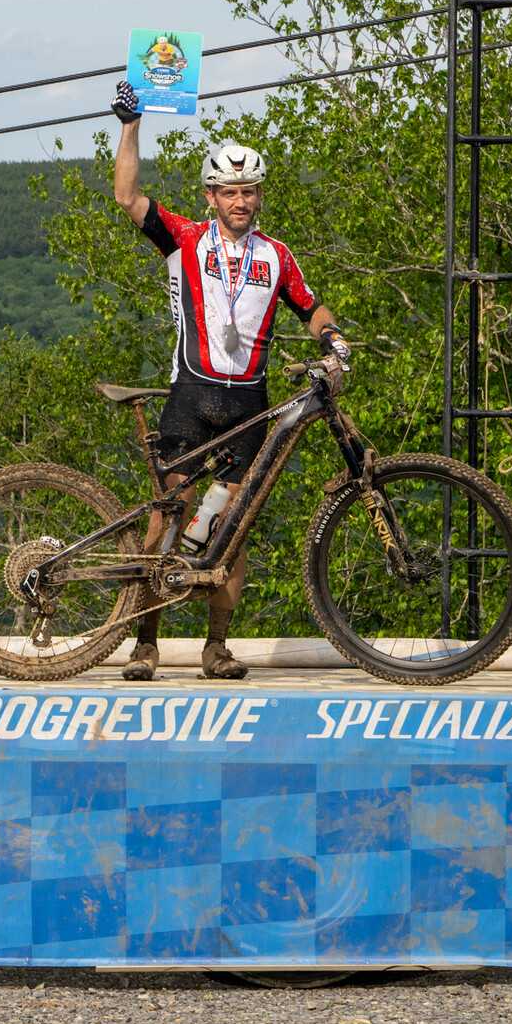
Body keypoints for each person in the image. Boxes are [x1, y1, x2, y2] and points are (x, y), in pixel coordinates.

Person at [111, 81, 349, 681]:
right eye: (229, 192)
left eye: (249, 191)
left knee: (233, 527)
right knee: (169, 518)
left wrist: (332, 337)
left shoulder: (277, 255)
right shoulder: (185, 240)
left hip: (249, 404)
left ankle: (216, 647)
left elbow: (311, 307)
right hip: (190, 397)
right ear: (211, 196)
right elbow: (127, 195)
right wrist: (131, 124)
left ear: (258, 195)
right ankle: (145, 643)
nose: (240, 201)